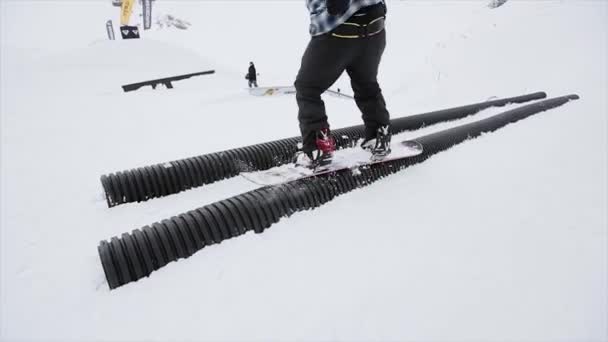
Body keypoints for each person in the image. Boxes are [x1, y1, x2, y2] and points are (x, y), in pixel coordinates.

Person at [295, 0, 391, 167]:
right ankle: (379, 137)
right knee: (366, 84)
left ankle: (317, 150)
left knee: (307, 88)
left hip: (339, 32)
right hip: (375, 28)